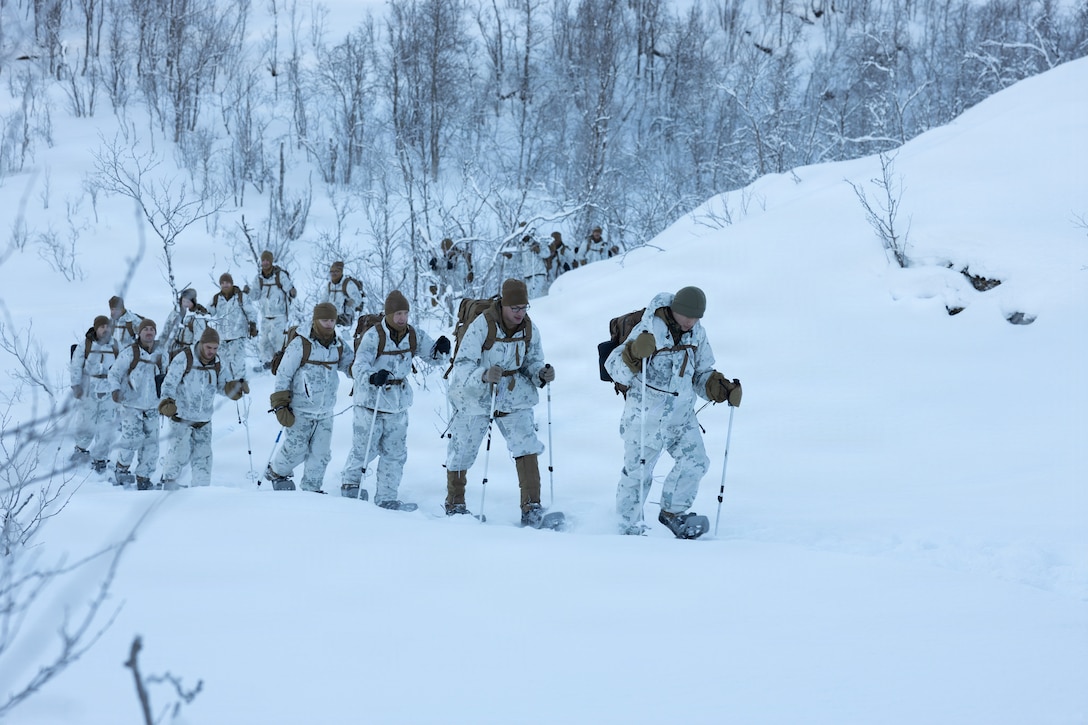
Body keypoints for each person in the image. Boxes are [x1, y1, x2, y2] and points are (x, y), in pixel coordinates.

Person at [603, 286, 742, 538]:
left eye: (696, 317)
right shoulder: (648, 328)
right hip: (645, 417)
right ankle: (625, 528)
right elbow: (614, 369)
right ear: (674, 309)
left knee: (696, 462)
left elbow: (701, 373)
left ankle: (673, 513)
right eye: (686, 315)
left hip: (681, 416)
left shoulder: (697, 334)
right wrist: (633, 353)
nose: (690, 321)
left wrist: (719, 388)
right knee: (637, 474)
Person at [444, 278, 556, 526]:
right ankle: (455, 504)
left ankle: (531, 507)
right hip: (476, 395)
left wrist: (540, 373)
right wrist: (484, 375)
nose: (520, 313)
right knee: (463, 448)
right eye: (515, 308)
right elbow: (463, 364)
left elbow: (532, 361)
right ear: (504, 305)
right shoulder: (482, 325)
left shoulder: (529, 328)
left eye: (524, 307)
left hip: (514, 393)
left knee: (526, 444)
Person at [340, 291, 450, 508]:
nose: (402, 318)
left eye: (405, 313)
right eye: (398, 313)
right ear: (389, 314)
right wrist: (372, 376)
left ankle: (386, 498)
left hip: (398, 404)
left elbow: (434, 357)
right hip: (371, 401)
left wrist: (441, 350)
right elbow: (358, 365)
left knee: (395, 454)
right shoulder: (374, 336)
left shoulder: (413, 335)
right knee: (365, 449)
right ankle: (350, 485)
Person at [265, 302, 354, 492]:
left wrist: (364, 370)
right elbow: (284, 374)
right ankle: (277, 472)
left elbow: (350, 366)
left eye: (332, 320)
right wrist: (280, 404)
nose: (329, 324)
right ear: (315, 320)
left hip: (326, 412)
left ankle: (312, 489)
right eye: (324, 320)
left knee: (321, 454)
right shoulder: (301, 344)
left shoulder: (338, 345)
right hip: (300, 410)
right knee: (296, 450)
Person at [157, 327, 241, 489]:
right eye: (209, 347)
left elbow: (222, 386)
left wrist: (234, 389)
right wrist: (166, 402)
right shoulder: (184, 358)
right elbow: (169, 383)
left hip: (204, 420)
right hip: (181, 417)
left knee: (203, 458)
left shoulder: (218, 363)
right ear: (201, 343)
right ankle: (169, 483)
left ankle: (201, 491)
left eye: (215, 348)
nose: (211, 352)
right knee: (179, 453)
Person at [108, 318, 165, 489]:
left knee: (151, 445)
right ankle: (122, 469)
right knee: (131, 440)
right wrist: (115, 390)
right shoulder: (129, 353)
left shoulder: (161, 354)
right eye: (145, 329)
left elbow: (168, 376)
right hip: (131, 405)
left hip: (153, 406)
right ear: (139, 333)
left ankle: (143, 478)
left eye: (152, 329)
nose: (149, 332)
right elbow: (114, 374)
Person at [69, 315, 119, 472]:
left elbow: (122, 367)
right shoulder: (86, 345)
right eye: (102, 327)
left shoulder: (116, 345)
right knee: (86, 422)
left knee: (106, 425)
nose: (105, 329)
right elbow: (76, 366)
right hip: (89, 389)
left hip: (109, 390)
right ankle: (81, 449)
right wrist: (76, 385)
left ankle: (100, 457)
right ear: (96, 328)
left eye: (107, 326)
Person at [208, 272, 257, 398]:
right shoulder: (216, 299)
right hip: (222, 338)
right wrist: (199, 311)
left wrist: (253, 325)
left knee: (238, 364)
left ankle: (241, 388)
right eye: (222, 283)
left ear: (231, 283)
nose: (225, 285)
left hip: (237, 336)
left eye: (227, 282)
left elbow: (251, 312)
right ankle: (229, 388)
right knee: (223, 365)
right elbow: (208, 313)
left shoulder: (240, 297)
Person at [248, 250, 297, 369]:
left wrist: (292, 292)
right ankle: (267, 362)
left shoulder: (280, 275)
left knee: (279, 340)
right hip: (265, 315)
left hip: (279, 315)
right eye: (263, 260)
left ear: (271, 261)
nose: (265, 262)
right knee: (264, 341)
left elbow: (290, 290)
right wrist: (248, 292)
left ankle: (281, 363)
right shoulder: (259, 278)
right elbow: (254, 296)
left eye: (267, 260)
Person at [160, 287, 210, 359]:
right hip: (172, 349)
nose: (185, 304)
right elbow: (166, 330)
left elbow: (198, 340)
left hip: (187, 352)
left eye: (188, 302)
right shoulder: (175, 313)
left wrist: (193, 355)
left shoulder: (198, 318)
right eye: (184, 301)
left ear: (193, 302)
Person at [429, 238, 474, 308]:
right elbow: (440, 273)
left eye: (445, 250)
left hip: (458, 296)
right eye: (443, 250)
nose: (444, 252)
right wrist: (435, 268)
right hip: (447, 295)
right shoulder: (445, 259)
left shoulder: (460, 259)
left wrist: (450, 269)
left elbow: (460, 280)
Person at [325, 260, 366, 327]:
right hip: (331, 317)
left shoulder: (348, 284)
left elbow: (358, 299)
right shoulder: (330, 285)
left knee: (343, 333)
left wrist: (348, 305)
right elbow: (324, 301)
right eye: (332, 271)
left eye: (336, 271)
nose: (333, 274)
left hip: (345, 317)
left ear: (341, 272)